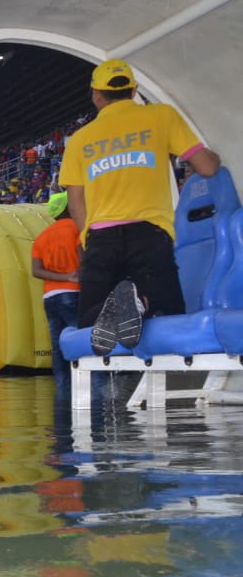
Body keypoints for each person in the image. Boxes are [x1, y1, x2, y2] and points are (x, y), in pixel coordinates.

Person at [60, 58, 221, 355]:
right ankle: (142, 303)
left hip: (102, 239)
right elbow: (208, 168)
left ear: (97, 95)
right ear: (133, 90)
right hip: (149, 235)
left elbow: (76, 201)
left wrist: (88, 237)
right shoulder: (161, 116)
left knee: (89, 326)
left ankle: (133, 304)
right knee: (169, 314)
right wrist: (215, 157)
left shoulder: (80, 140)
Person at [31, 192, 80, 389]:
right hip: (73, 293)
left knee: (57, 347)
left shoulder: (41, 238)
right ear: (68, 208)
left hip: (50, 297)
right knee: (80, 338)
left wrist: (61, 278)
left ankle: (62, 390)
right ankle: (90, 388)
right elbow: (84, 258)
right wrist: (70, 277)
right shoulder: (77, 228)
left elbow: (36, 270)